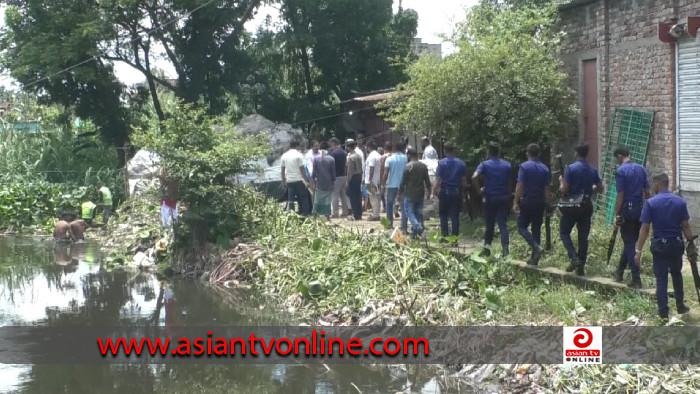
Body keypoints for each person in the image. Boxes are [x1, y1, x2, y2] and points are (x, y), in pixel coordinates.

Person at [635, 173, 692, 320]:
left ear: (657, 185)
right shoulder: (680, 202)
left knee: (661, 279)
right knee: (676, 274)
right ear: (668, 183)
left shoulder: (651, 203)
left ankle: (663, 313)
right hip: (676, 244)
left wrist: (638, 251)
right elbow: (685, 225)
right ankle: (680, 306)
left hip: (660, 246)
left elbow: (645, 229)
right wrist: (691, 243)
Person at [559, 143, 604, 276]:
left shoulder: (571, 168)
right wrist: (590, 189)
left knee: (564, 232)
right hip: (586, 204)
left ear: (576, 153)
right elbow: (600, 188)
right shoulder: (592, 169)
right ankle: (581, 267)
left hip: (572, 206)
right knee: (583, 237)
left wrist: (561, 181)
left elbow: (564, 189)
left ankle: (573, 258)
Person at [613, 146, 651, 288]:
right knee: (630, 242)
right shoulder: (641, 168)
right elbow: (647, 192)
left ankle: (636, 278)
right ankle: (619, 272)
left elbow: (620, 195)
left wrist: (616, 214)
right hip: (640, 210)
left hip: (627, 211)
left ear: (619, 156)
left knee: (629, 243)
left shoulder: (620, 171)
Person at [514, 143, 552, 266]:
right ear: (539, 153)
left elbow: (520, 185)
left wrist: (516, 201)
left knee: (521, 226)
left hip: (527, 201)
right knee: (536, 229)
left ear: (527, 153)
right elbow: (547, 189)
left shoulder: (524, 167)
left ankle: (536, 247)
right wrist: (549, 204)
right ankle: (534, 259)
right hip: (539, 202)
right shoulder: (545, 168)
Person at [473, 142, 512, 257]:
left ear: (488, 152)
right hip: (503, 197)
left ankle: (487, 250)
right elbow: (509, 182)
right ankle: (505, 250)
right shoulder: (507, 165)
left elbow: (474, 177)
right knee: (502, 224)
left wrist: (479, 190)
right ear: (498, 152)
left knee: (489, 225)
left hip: (490, 198)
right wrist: (509, 195)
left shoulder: (485, 165)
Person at [431, 142, 468, 240]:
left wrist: (433, 192)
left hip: (444, 192)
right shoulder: (461, 163)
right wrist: (465, 191)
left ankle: (445, 237)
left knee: (443, 215)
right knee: (455, 216)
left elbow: (438, 180)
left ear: (444, 150)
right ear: (454, 150)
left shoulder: (442, 163)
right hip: (456, 192)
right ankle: (454, 239)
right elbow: (464, 181)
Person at [400, 148, 431, 238]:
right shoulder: (423, 166)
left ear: (409, 155)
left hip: (409, 193)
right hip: (420, 193)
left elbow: (402, 183)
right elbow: (427, 182)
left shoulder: (407, 167)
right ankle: (414, 235)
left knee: (409, 211)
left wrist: (400, 194)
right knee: (418, 212)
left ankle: (417, 226)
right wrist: (429, 192)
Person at [281, 140, 311, 216]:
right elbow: (302, 169)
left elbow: (282, 170)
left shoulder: (284, 155)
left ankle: (292, 214)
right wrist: (306, 180)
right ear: (297, 146)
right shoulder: (299, 155)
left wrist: (283, 181)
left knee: (291, 199)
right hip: (299, 180)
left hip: (289, 180)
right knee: (303, 197)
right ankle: (305, 213)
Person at [382, 141, 408, 228]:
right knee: (404, 205)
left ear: (394, 149)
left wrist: (382, 184)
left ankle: (389, 224)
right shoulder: (406, 158)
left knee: (389, 204)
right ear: (403, 149)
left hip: (392, 185)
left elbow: (385, 174)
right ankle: (404, 227)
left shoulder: (389, 159)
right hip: (404, 185)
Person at [311, 141, 336, 218]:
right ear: (328, 149)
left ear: (320, 149)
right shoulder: (331, 159)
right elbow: (333, 173)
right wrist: (333, 182)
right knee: (327, 200)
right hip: (328, 183)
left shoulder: (316, 159)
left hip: (319, 183)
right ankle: (327, 215)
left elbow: (314, 173)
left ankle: (315, 214)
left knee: (317, 199)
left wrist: (313, 182)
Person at [329, 138, 350, 218]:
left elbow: (331, 166)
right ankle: (345, 212)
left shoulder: (333, 153)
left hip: (336, 177)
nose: (330, 146)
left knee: (335, 195)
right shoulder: (344, 153)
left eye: (330, 144)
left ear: (334, 143)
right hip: (344, 176)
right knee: (343, 195)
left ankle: (335, 213)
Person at [346, 140, 364, 220]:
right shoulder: (358, 156)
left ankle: (355, 214)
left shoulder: (350, 157)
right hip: (359, 176)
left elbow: (350, 171)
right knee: (358, 196)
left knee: (353, 196)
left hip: (353, 177)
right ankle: (359, 214)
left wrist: (347, 181)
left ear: (348, 147)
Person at [365, 140, 382, 221]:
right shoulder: (379, 155)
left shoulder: (371, 156)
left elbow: (371, 169)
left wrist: (369, 180)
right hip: (377, 179)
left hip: (372, 180)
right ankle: (377, 213)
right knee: (377, 197)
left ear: (369, 147)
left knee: (373, 198)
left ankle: (375, 215)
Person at [379, 142, 393, 213]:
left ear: (385, 148)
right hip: (393, 177)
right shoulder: (394, 156)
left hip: (386, 177)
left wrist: (381, 179)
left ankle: (385, 208)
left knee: (383, 194)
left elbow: (382, 169)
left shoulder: (384, 157)